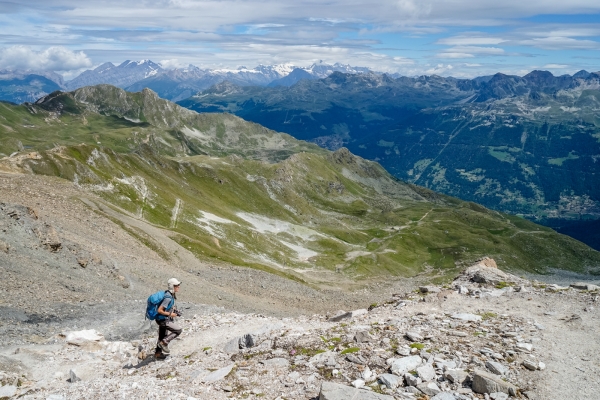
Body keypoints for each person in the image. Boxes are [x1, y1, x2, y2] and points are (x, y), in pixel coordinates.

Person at [155, 278, 182, 359]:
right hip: (163, 320)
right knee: (178, 330)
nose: (178, 287)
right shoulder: (168, 297)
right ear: (172, 286)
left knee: (162, 335)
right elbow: (159, 310)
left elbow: (167, 307)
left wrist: (174, 310)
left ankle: (158, 354)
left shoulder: (168, 294)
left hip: (160, 319)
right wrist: (171, 314)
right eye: (177, 285)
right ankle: (164, 343)